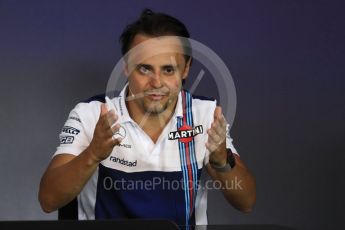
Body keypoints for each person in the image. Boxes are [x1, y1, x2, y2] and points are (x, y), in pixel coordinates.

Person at [38, 9, 256, 226]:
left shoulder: (205, 115)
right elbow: (48, 200)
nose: (156, 82)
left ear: (186, 69)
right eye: (145, 69)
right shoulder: (92, 114)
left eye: (168, 70)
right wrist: (93, 154)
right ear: (126, 67)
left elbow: (246, 202)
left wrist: (221, 161)